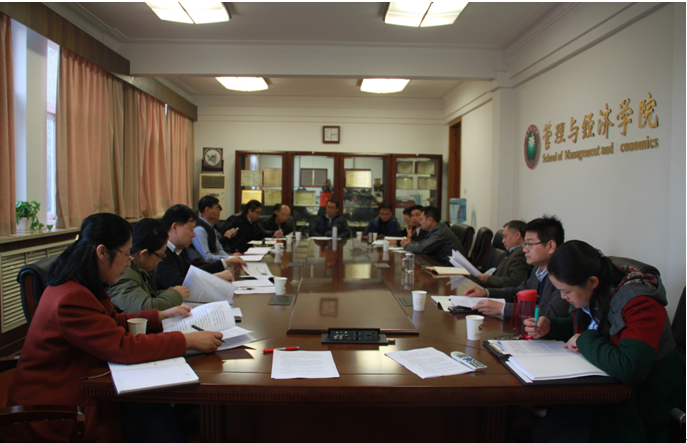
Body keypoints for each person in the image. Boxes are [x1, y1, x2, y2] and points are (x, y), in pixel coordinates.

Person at [6, 213, 224, 443]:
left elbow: (111, 321)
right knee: (148, 408)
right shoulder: (71, 297)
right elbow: (122, 346)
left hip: (84, 382)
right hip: (55, 411)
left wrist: (159, 315)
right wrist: (187, 340)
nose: (129, 262)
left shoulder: (80, 282)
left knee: (152, 406)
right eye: (126, 254)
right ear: (102, 252)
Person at [524, 240, 685, 443]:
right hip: (604, 400)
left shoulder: (641, 303)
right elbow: (587, 327)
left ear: (592, 282)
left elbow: (630, 368)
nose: (563, 297)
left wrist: (584, 340)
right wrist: (551, 326)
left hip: (639, 410)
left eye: (567, 291)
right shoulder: (598, 292)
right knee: (542, 430)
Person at [464, 215, 569, 319]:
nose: (525, 250)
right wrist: (486, 292)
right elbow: (518, 291)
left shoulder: (564, 273)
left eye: (530, 244)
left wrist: (504, 308)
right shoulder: (538, 269)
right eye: (525, 244)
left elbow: (553, 311)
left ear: (551, 246)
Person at [109, 218, 191, 313]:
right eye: (160, 255)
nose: (161, 260)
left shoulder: (141, 268)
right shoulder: (123, 274)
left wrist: (168, 293)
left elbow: (146, 296)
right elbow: (145, 308)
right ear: (143, 254)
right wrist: (175, 295)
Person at [156, 204, 244, 290]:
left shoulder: (177, 250)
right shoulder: (160, 254)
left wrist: (225, 262)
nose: (194, 235)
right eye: (191, 229)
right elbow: (180, 285)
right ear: (175, 227)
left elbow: (192, 272)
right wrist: (215, 278)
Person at [400, 206, 464, 266]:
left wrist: (406, 245)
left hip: (449, 267)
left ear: (430, 220)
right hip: (440, 262)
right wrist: (410, 243)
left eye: (421, 219)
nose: (420, 222)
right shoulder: (436, 229)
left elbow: (422, 247)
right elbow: (423, 243)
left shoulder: (440, 232)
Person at [475, 220, 531, 288]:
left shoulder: (521, 254)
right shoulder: (511, 250)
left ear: (517, 235)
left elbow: (515, 281)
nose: (503, 241)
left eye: (505, 236)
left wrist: (488, 279)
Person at [192, 195, 238, 262]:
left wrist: (230, 258)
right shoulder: (199, 229)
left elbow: (219, 249)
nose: (218, 212)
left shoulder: (211, 227)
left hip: (215, 263)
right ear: (207, 210)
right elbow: (206, 257)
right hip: (205, 266)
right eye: (216, 209)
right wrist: (228, 259)